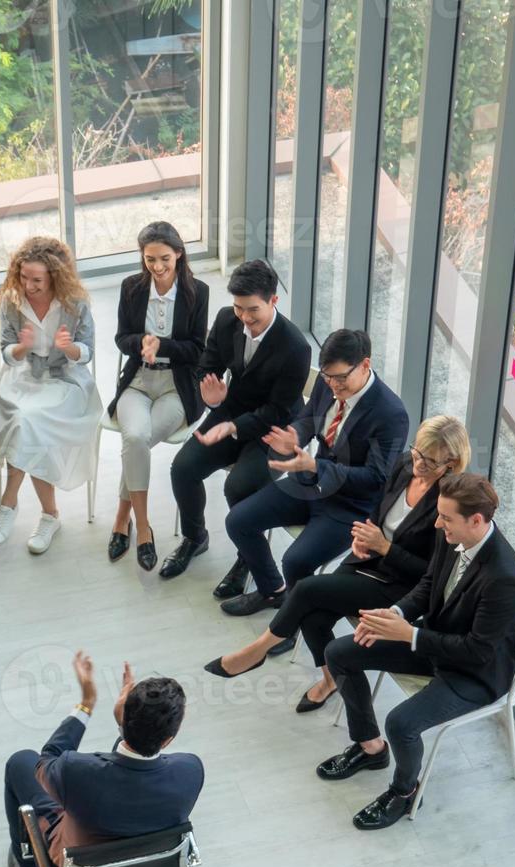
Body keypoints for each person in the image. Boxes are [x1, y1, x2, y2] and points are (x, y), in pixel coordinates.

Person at [204, 416, 470, 707]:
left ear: (451, 464)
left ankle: (256, 651)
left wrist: (385, 548)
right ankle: (332, 681)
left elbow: (432, 576)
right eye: (418, 452)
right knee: (313, 617)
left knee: (306, 589)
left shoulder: (452, 505)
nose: (418, 464)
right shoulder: (406, 464)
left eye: (430, 462)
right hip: (367, 561)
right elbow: (379, 510)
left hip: (400, 588)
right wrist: (364, 539)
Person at [315, 473, 515, 831]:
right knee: (339, 652)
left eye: (446, 517)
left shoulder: (506, 578)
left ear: (476, 520)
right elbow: (430, 583)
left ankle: (405, 791)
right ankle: (370, 748)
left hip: (475, 673)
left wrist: (409, 635)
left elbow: (476, 651)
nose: (436, 522)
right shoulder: (452, 535)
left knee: (401, 723)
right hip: (434, 641)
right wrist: (395, 614)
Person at [211, 328, 408, 624]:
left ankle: (291, 625)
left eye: (341, 378)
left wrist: (316, 467)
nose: (333, 386)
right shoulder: (327, 383)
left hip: (350, 506)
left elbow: (375, 478)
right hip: (310, 483)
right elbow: (308, 418)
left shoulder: (391, 413)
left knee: (295, 560)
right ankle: (272, 591)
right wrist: (295, 436)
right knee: (238, 521)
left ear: (365, 365)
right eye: (328, 377)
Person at [2, 651, 204, 867]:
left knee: (21, 761)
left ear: (124, 715)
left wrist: (87, 703)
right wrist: (125, 726)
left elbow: (47, 759)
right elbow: (130, 778)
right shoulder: (191, 771)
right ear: (168, 739)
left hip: (76, 864)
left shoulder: (75, 771)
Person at [159, 259, 311, 587]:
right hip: (231, 410)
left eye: (252, 309)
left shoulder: (296, 347)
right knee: (182, 468)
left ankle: (247, 558)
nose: (244, 317)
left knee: (239, 486)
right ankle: (194, 537)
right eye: (238, 308)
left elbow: (279, 410)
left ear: (274, 301)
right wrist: (212, 398)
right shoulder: (227, 319)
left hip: (276, 430)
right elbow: (206, 366)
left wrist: (233, 427)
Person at [0, 237, 102, 555]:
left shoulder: (74, 304)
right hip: (23, 379)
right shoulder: (12, 303)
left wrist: (69, 348)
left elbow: (87, 351)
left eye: (37, 279)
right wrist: (21, 347)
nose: (29, 285)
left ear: (54, 277)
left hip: (65, 383)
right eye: (24, 277)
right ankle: (49, 514)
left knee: (28, 422)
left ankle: (10, 505)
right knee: (24, 420)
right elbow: (7, 353)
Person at [105, 222, 210, 571]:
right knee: (134, 437)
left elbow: (197, 349)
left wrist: (161, 345)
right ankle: (144, 527)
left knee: (137, 442)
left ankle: (123, 519)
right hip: (137, 380)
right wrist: (141, 344)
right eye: (150, 259)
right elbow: (122, 338)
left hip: (176, 386)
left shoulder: (199, 292)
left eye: (164, 258)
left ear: (179, 253)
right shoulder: (132, 288)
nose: (157, 266)